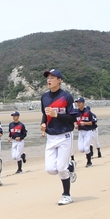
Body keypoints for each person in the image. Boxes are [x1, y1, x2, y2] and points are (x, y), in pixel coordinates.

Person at [40, 69, 77, 206]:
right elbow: (45, 114)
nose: (49, 80)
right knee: (50, 169)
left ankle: (66, 195)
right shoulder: (44, 97)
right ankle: (70, 167)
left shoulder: (67, 97)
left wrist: (57, 115)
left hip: (65, 135)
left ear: (59, 80)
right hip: (51, 136)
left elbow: (73, 117)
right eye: (48, 77)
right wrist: (43, 124)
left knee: (61, 168)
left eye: (52, 77)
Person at [75, 98, 96, 167]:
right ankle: (90, 147)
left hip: (88, 131)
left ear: (83, 103)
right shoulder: (76, 112)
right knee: (81, 149)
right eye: (77, 102)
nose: (78, 104)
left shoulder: (88, 112)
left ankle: (89, 162)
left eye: (80, 102)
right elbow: (75, 120)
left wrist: (85, 123)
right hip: (81, 132)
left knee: (86, 148)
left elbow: (93, 122)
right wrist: (75, 125)